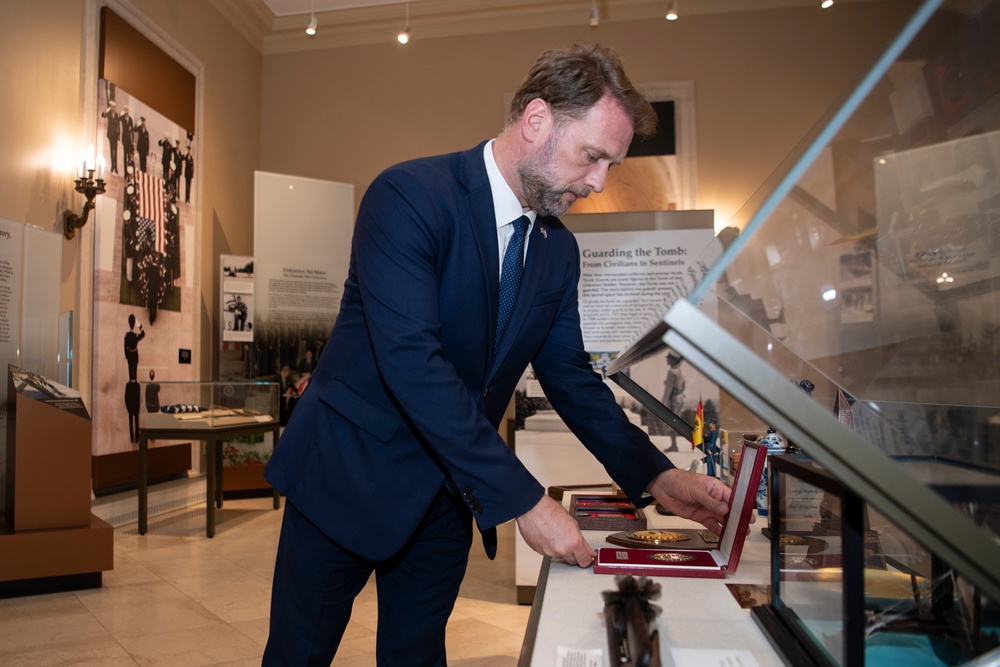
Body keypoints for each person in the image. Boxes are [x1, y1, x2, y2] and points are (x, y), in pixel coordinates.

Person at [262, 43, 731, 666]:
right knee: (299, 655)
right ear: (536, 121)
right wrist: (526, 501)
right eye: (593, 157)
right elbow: (412, 363)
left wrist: (657, 475)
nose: (598, 182)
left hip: (450, 492)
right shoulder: (408, 196)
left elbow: (569, 377)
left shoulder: (559, 252)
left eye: (610, 165)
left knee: (418, 656)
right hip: (346, 476)